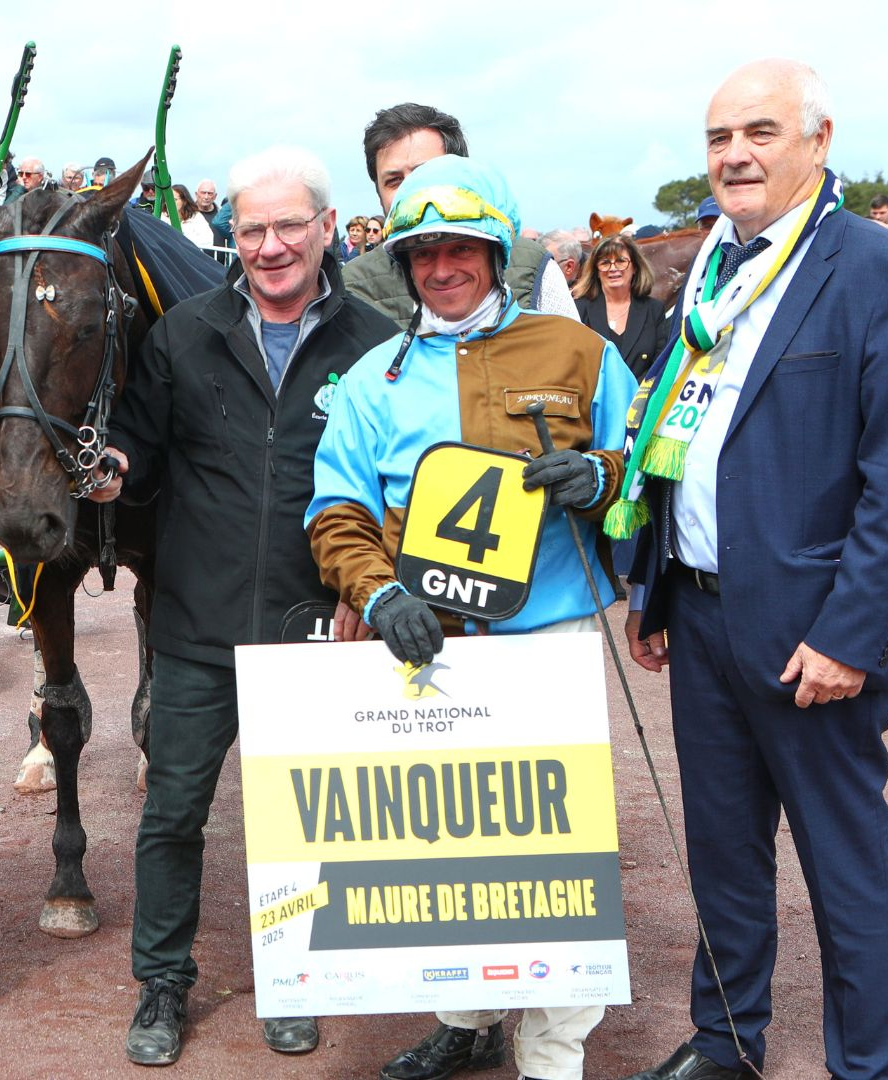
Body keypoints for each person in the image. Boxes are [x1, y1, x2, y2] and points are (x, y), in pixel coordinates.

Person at [615, 60, 888, 1080]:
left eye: (760, 131)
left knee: (843, 864)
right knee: (722, 856)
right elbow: (675, 434)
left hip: (815, 636)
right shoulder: (709, 269)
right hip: (704, 617)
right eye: (719, 138)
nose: (735, 155)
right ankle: (726, 1040)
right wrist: (655, 583)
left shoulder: (877, 269)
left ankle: (868, 1066)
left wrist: (850, 635)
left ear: (819, 139)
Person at [309, 154, 634, 1080]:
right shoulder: (376, 377)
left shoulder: (580, 355)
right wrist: (379, 593)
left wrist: (601, 478)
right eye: (424, 253)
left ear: (497, 252)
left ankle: (555, 1050)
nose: (443, 269)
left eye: (462, 249)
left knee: (560, 850)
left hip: (553, 638)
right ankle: (466, 1015)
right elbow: (335, 508)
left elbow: (642, 471)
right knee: (449, 843)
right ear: (405, 263)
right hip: (434, 643)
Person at [88, 145, 402, 1066]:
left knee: (299, 819)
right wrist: (112, 473)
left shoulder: (379, 342)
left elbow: (397, 484)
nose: (269, 245)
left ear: (326, 229)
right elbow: (139, 447)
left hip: (316, 629)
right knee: (173, 815)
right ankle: (163, 983)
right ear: (231, 235)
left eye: (287, 226)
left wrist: (366, 586)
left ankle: (295, 977)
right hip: (195, 626)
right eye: (251, 229)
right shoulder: (183, 332)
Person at [343, 102, 576, 323]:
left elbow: (575, 353)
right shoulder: (353, 285)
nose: (411, 192)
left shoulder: (531, 264)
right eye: (394, 181)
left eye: (427, 173)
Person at [574, 232, 667, 377]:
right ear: (596, 271)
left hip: (641, 396)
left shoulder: (654, 310)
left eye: (621, 261)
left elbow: (661, 364)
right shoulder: (579, 309)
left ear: (635, 267)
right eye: (605, 263)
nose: (613, 268)